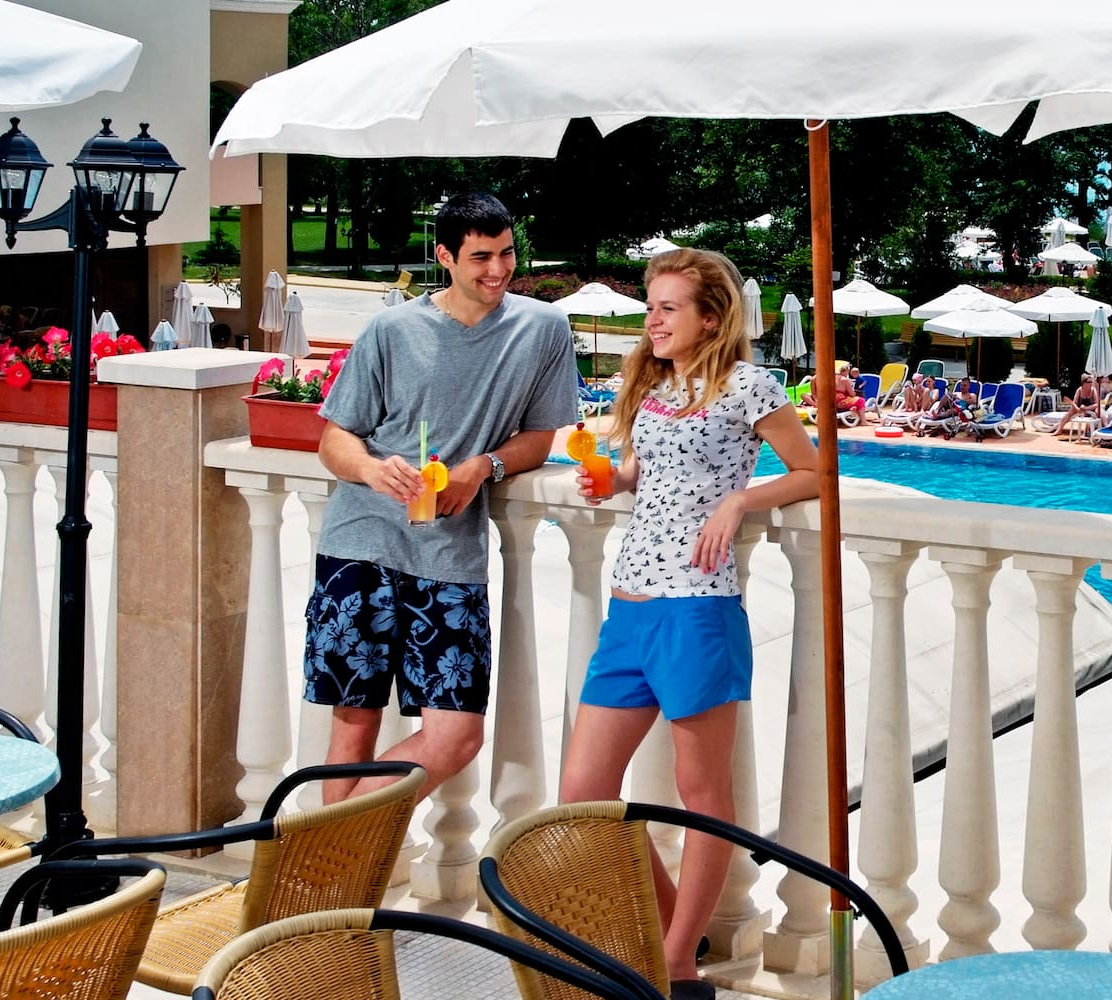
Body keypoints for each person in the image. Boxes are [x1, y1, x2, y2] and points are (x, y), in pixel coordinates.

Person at [562, 248, 819, 997]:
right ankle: (674, 936)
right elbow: (650, 470)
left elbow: (811, 471)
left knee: (701, 790)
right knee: (584, 790)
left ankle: (675, 962)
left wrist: (741, 501)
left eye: (668, 308)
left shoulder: (748, 384)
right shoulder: (655, 384)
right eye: (653, 307)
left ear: (711, 317)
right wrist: (612, 476)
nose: (653, 320)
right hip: (630, 605)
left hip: (697, 608)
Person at [303, 193, 575, 807]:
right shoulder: (391, 330)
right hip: (362, 542)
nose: (498, 271)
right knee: (353, 725)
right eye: (481, 258)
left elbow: (540, 435)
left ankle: (328, 842)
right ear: (445, 256)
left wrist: (484, 465)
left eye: (507, 254)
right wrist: (373, 471)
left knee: (455, 736)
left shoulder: (543, 329)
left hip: (451, 554)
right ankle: (330, 882)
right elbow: (334, 438)